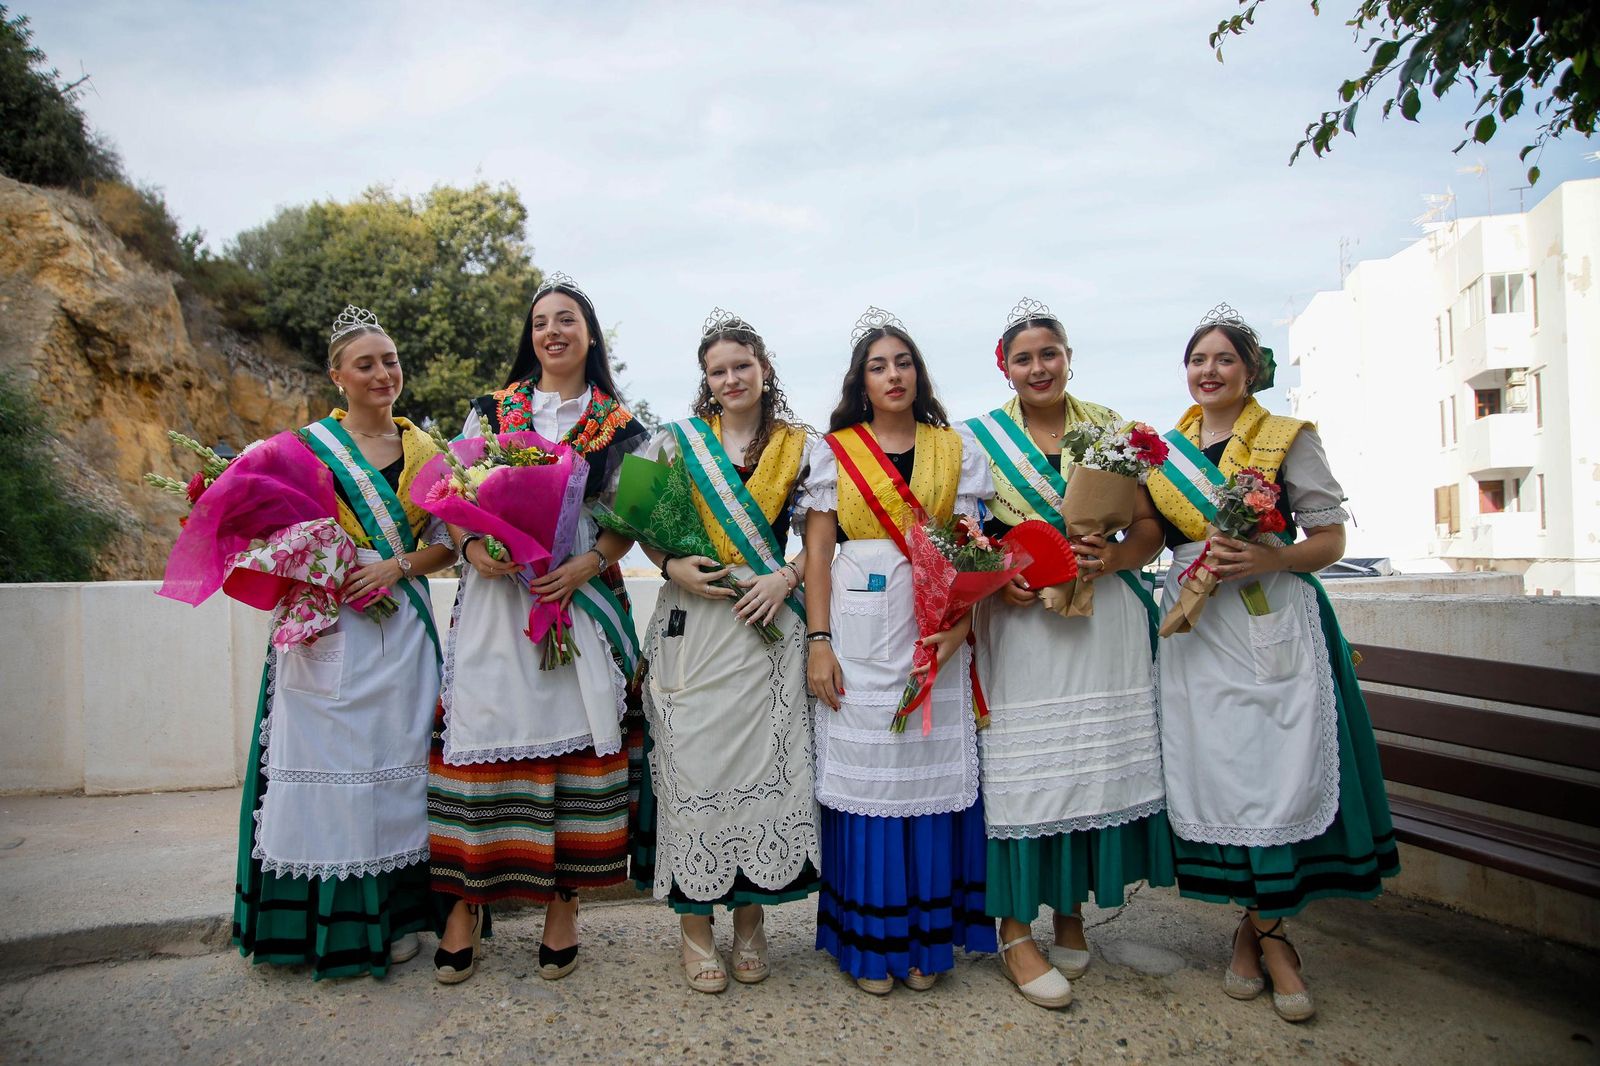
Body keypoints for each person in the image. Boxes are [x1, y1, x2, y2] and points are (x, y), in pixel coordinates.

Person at [1147, 303, 1399, 1023]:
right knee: (1221, 772)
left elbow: (1331, 538)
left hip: (1272, 619)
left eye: (1224, 359)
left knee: (1275, 773)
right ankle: (1259, 929)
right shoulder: (1165, 454)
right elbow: (1150, 536)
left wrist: (1272, 558)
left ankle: (1268, 935)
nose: (1210, 372)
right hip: (1196, 628)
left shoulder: (1288, 438)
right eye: (1198, 360)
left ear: (1251, 370)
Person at [428, 272, 647, 984]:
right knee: (483, 734)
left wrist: (588, 563)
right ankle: (465, 904)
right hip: (498, 597)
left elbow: (631, 518)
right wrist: (472, 547)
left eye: (567, 319)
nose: (553, 331)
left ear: (590, 335)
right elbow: (449, 494)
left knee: (574, 734)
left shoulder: (622, 426)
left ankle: (564, 902)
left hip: (575, 594)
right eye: (541, 322)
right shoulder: (492, 411)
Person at [233, 304, 457, 979]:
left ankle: (399, 918)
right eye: (366, 364)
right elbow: (259, 524)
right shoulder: (301, 449)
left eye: (390, 360)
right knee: (328, 774)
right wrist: (323, 560)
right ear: (338, 376)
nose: (383, 373)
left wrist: (396, 566)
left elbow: (448, 545)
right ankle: (322, 929)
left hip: (403, 629)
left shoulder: (430, 451)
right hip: (328, 628)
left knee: (402, 768)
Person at [962, 298, 1173, 1010]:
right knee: (1027, 773)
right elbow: (965, 535)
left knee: (1089, 766)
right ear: (1005, 368)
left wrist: (1109, 561)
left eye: (1049, 353)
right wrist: (1004, 576)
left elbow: (1148, 528)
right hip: (1022, 625)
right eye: (1023, 358)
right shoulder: (979, 440)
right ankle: (1015, 927)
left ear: (1068, 358)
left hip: (1103, 621)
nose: (1038, 367)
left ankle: (1071, 912)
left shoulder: (1111, 429)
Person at [800, 306, 998, 996]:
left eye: (904, 362)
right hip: (856, 635)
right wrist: (818, 642)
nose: (893, 375)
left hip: (935, 628)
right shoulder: (834, 452)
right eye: (878, 366)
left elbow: (972, 549)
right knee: (867, 783)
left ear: (919, 373)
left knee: (929, 778)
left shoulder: (955, 449)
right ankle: (870, 944)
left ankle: (923, 942)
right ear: (861, 381)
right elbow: (817, 554)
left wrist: (960, 626)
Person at [635, 309, 820, 993]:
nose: (732, 378)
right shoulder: (672, 441)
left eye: (743, 365)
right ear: (706, 381)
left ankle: (750, 924)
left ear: (765, 369)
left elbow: (825, 538)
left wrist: (786, 578)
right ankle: (693, 930)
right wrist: (670, 565)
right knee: (692, 773)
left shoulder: (804, 446)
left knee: (761, 777)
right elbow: (633, 520)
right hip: (695, 625)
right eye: (718, 370)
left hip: (767, 627)